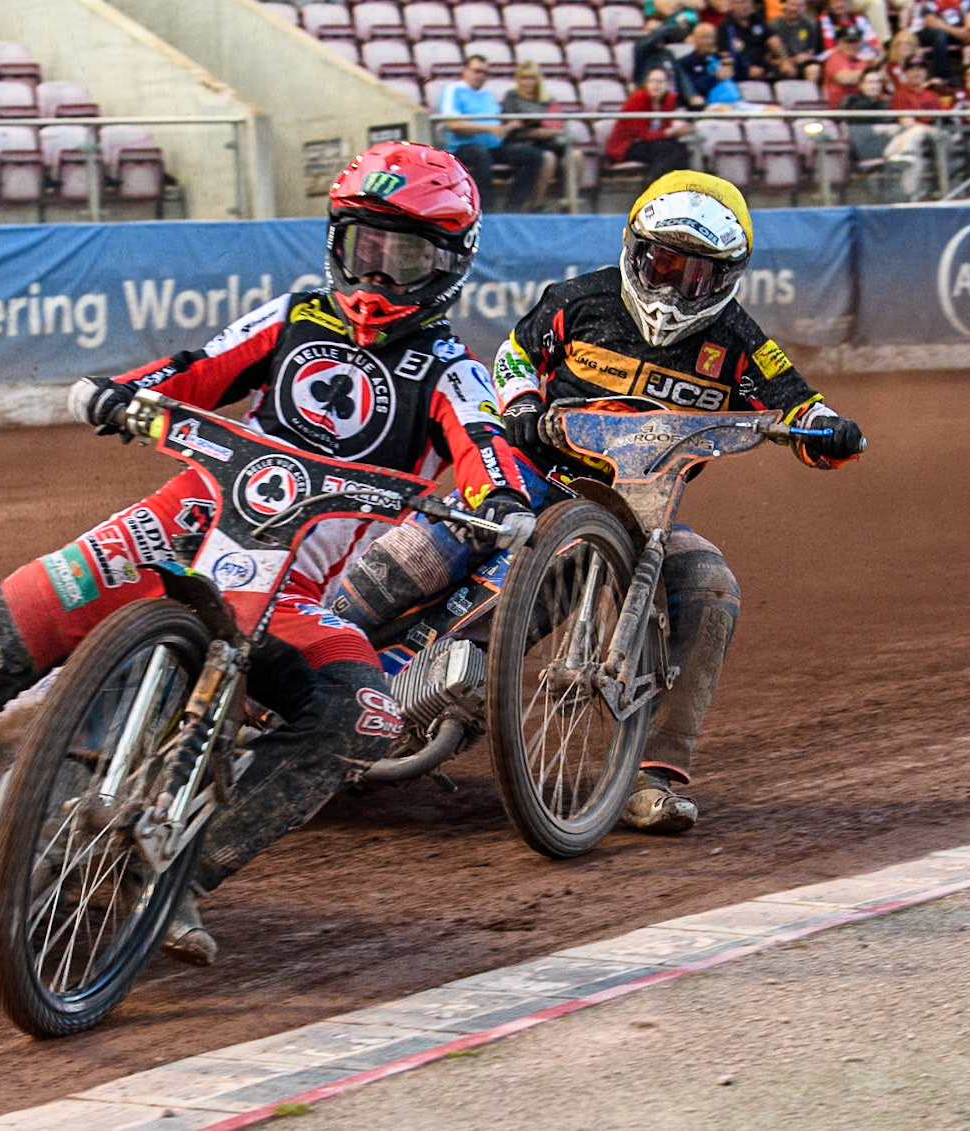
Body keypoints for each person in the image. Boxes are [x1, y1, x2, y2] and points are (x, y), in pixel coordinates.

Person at [0, 142, 535, 963]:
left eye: (402, 255)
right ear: (336, 242)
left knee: (362, 712)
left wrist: (502, 500)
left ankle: (176, 874)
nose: (375, 272)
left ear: (448, 263)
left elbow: (487, 449)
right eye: (361, 245)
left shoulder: (453, 371)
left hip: (290, 594)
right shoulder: (293, 316)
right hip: (173, 529)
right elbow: (193, 371)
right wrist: (124, 392)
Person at [335, 171, 865, 836]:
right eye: (664, 264)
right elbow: (514, 356)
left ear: (728, 277)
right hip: (521, 476)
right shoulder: (579, 300)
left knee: (710, 583)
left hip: (636, 515)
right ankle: (296, 664)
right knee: (409, 559)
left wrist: (830, 432)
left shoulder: (741, 344)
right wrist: (521, 405)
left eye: (697, 275)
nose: (674, 288)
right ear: (635, 250)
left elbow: (800, 408)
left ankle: (653, 777)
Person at [437, 54, 546, 211]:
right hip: (463, 146)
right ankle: (486, 209)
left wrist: (510, 126)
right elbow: (454, 124)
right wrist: (489, 129)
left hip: (493, 146)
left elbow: (497, 124)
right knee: (481, 155)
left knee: (533, 155)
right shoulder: (453, 90)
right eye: (477, 71)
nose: (481, 76)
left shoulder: (487, 95)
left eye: (484, 72)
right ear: (465, 71)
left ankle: (513, 207)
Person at [501, 61, 569, 210]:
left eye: (531, 78)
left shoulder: (547, 99)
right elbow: (512, 127)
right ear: (518, 79)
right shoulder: (512, 97)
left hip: (547, 139)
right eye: (524, 78)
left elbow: (558, 123)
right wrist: (537, 131)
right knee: (547, 158)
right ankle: (537, 205)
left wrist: (551, 131)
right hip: (523, 141)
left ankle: (569, 203)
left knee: (575, 155)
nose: (528, 82)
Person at [604, 67, 694, 179]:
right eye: (652, 81)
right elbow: (642, 134)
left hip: (651, 143)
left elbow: (665, 129)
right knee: (667, 150)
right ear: (646, 84)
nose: (656, 85)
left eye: (660, 81)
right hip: (628, 145)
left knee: (681, 149)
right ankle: (654, 187)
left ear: (667, 85)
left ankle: (677, 186)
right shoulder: (638, 98)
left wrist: (679, 131)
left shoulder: (668, 100)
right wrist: (668, 132)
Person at [888, 54, 943, 197]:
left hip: (934, 137)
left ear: (926, 72)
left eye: (920, 69)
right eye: (912, 69)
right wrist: (932, 130)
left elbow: (941, 120)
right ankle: (911, 197)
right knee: (915, 146)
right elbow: (907, 123)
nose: (916, 73)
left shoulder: (933, 95)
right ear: (906, 73)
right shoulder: (900, 94)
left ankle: (945, 191)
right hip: (911, 136)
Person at [903, 0, 970, 84]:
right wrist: (956, 32)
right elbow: (930, 21)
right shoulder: (931, 2)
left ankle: (969, 74)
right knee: (940, 34)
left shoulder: (964, 1)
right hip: (924, 32)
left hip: (952, 32)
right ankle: (942, 79)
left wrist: (964, 32)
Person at [720, 0, 779, 81]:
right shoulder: (725, 27)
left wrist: (783, 60)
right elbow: (724, 55)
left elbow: (773, 41)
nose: (745, 6)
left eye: (748, 2)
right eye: (741, 2)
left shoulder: (758, 20)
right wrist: (745, 69)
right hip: (740, 74)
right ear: (732, 5)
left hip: (764, 70)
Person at [768, 0, 822, 81]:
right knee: (787, 69)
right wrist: (791, 61)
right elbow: (768, 59)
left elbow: (811, 51)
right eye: (792, 5)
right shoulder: (773, 26)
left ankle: (809, 89)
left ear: (805, 8)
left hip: (802, 64)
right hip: (779, 64)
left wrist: (805, 57)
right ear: (784, 5)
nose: (795, 9)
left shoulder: (810, 24)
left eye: (800, 6)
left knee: (814, 69)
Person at [677, 22, 727, 107]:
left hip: (735, 101)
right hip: (710, 104)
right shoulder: (685, 62)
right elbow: (690, 88)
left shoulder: (720, 58)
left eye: (713, 37)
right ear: (695, 40)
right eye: (706, 37)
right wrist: (716, 78)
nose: (711, 41)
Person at [822, 28, 870, 108]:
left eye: (855, 42)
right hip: (841, 106)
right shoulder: (835, 57)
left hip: (862, 103)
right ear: (839, 43)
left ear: (861, 43)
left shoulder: (862, 59)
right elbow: (845, 79)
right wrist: (870, 72)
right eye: (848, 42)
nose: (852, 45)